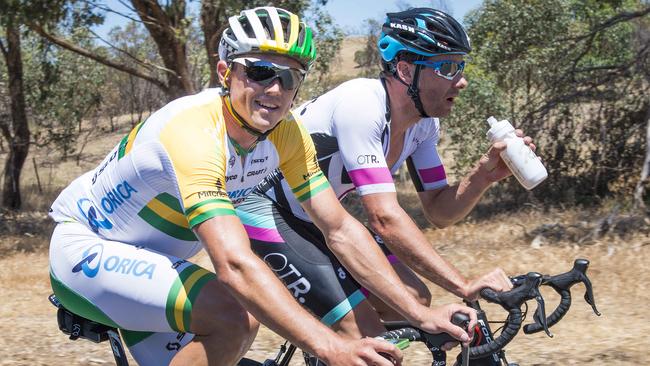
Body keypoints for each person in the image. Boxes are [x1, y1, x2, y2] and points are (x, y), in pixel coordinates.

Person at [47, 6, 476, 366]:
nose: (274, 89)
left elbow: (340, 229)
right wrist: (332, 346)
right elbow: (233, 266)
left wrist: (421, 314)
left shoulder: (286, 135)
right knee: (235, 317)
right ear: (224, 72)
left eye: (289, 78)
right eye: (259, 71)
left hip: (157, 264)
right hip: (88, 251)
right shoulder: (195, 132)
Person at [237, 7, 528, 341]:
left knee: (415, 300)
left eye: (461, 67)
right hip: (261, 207)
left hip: (316, 215)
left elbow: (439, 210)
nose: (460, 81)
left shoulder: (424, 125)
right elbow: (384, 219)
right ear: (405, 70)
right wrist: (463, 285)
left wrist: (482, 177)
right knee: (361, 330)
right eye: (447, 67)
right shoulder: (362, 104)